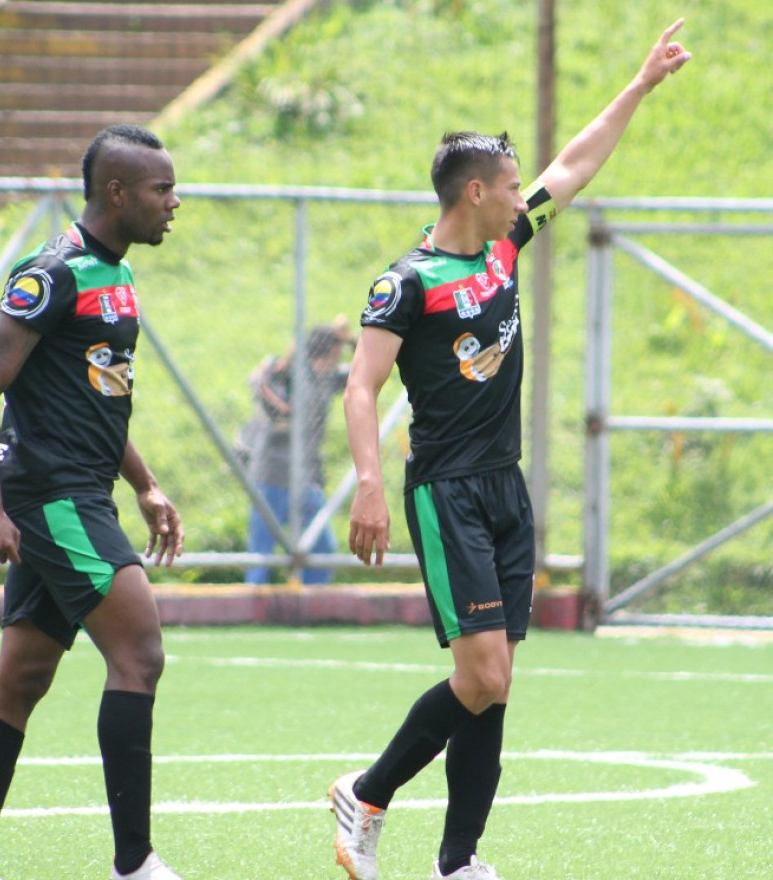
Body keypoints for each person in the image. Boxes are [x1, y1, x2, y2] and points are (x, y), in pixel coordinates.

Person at [330, 21, 691, 880]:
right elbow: (359, 387)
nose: (525, 190)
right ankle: (366, 793)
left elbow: (575, 162)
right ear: (474, 192)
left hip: (504, 488)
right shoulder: (406, 282)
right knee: (482, 674)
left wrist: (637, 86)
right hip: (445, 490)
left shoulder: (502, 246)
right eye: (510, 183)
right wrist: (370, 486)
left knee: (494, 683)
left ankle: (457, 862)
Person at [0, 124, 186, 880]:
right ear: (117, 192)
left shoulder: (117, 274)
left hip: (82, 491)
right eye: (161, 189)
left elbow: (96, 400)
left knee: (21, 679)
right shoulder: (54, 273)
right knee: (139, 653)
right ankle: (135, 864)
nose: (175, 203)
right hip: (52, 496)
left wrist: (142, 482)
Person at [244, 315, 355, 585]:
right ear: (326, 353)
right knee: (261, 553)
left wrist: (350, 339)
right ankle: (252, 606)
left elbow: (366, 368)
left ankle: (310, 603)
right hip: (272, 475)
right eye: (336, 353)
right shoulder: (292, 374)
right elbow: (270, 377)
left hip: (306, 478)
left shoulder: (329, 378)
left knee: (322, 547)